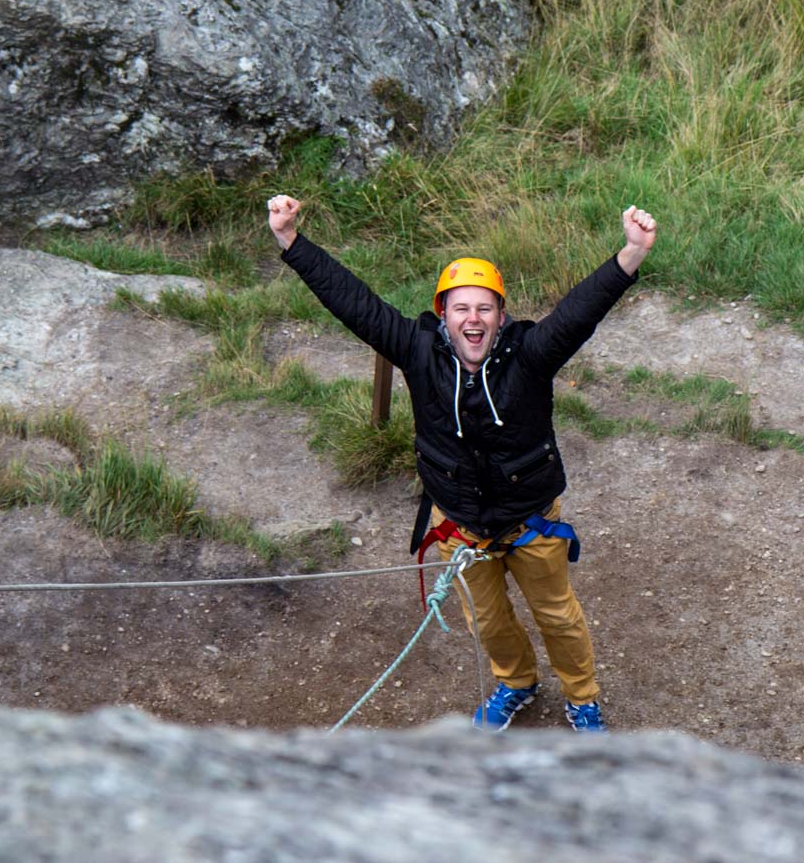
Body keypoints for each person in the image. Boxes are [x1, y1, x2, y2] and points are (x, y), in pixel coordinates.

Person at [266, 194, 656, 732]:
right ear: (443, 315)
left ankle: (582, 698)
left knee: (558, 617)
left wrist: (631, 253)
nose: (473, 319)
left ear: (501, 315)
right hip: (459, 527)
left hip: (530, 520)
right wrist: (290, 241)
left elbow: (579, 312)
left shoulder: (531, 354)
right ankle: (517, 682)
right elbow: (353, 301)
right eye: (460, 308)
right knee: (487, 621)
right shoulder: (415, 348)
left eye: (484, 308)